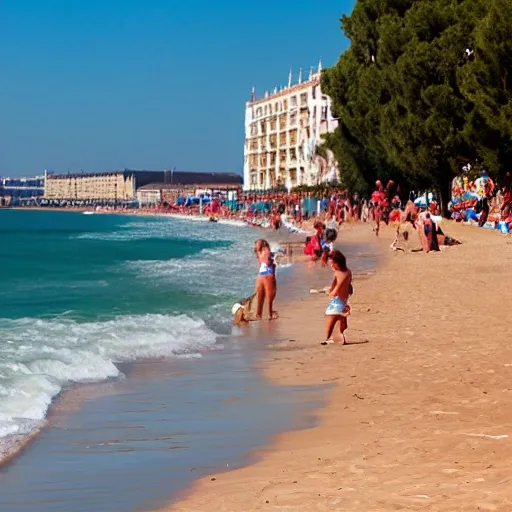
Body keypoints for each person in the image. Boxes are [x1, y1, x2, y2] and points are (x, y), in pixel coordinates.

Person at [321, 250, 352, 345]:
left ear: (337, 263)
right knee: (337, 321)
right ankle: (338, 335)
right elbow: (349, 287)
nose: (331, 266)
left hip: (337, 303)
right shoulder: (348, 271)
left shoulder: (339, 274)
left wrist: (328, 292)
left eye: (332, 263)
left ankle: (330, 339)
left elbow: (336, 290)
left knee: (329, 322)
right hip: (343, 301)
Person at [254, 239, 278, 320]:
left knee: (259, 298)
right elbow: (268, 263)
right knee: (269, 298)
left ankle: (258, 315)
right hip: (268, 273)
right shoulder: (267, 250)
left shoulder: (259, 253)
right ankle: (270, 314)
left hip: (260, 275)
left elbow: (262, 262)